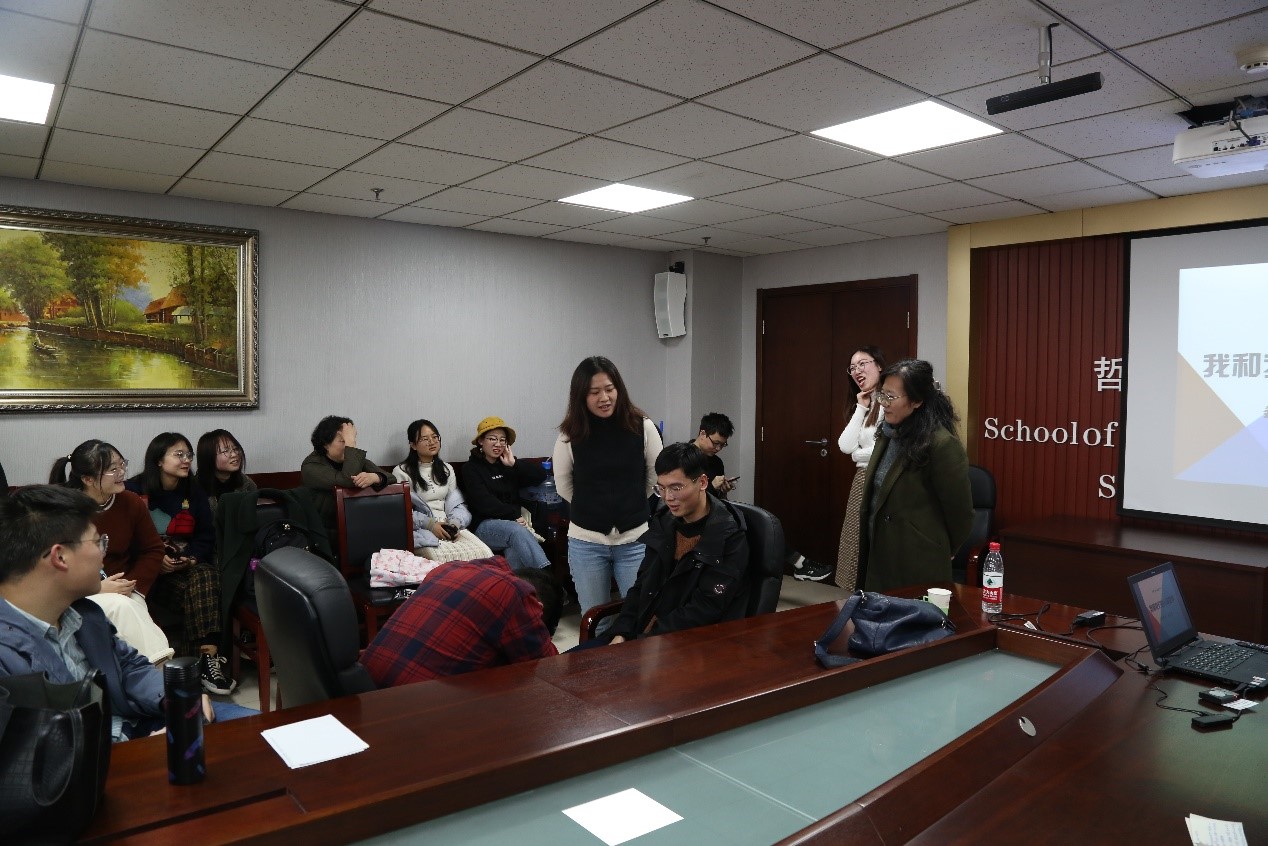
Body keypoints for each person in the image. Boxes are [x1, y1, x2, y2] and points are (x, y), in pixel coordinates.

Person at [0, 485, 226, 741]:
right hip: (88, 753)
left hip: (135, 722)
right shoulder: (6, 654)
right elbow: (35, 752)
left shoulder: (84, 613)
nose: (104, 554)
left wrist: (175, 697)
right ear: (60, 557)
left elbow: (128, 667)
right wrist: (140, 753)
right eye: (99, 541)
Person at [606, 442, 750, 643]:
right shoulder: (664, 521)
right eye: (661, 488)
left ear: (702, 482)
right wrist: (621, 632)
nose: (668, 498)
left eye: (676, 488)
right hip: (642, 632)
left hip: (683, 644)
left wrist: (643, 643)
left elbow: (704, 609)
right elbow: (641, 586)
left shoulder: (728, 536)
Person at [553, 356, 662, 619]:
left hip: (635, 539)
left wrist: (629, 501)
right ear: (581, 396)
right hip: (586, 542)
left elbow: (655, 477)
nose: (604, 398)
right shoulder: (570, 434)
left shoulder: (643, 426)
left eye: (609, 389)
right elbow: (563, 485)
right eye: (594, 392)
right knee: (596, 620)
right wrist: (594, 506)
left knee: (639, 617)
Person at [125, 433, 234, 694]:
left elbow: (206, 536)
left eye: (188, 455)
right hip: (151, 577)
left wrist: (191, 558)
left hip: (186, 572)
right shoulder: (134, 490)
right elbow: (127, 540)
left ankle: (201, 662)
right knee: (203, 587)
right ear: (158, 460)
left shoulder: (193, 491)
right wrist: (155, 560)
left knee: (204, 575)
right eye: (179, 455)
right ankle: (205, 662)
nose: (186, 460)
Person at [49, 441, 173, 665]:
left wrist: (132, 586)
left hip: (124, 587)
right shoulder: (62, 510)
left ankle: (149, 674)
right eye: (112, 469)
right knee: (122, 609)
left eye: (122, 465)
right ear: (87, 479)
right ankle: (159, 672)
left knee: (129, 607)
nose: (122, 473)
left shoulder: (131, 502)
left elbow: (153, 549)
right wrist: (96, 588)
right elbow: (53, 565)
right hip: (75, 591)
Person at [858, 359, 973, 592]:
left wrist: (943, 547)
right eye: (882, 395)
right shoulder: (888, 433)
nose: (884, 403)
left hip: (917, 559)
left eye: (891, 397)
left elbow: (960, 513)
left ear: (917, 401)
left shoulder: (941, 444)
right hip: (878, 552)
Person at [359, 557, 562, 686]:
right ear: (539, 606)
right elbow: (548, 671)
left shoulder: (447, 568)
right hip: (408, 711)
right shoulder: (517, 593)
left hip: (362, 688)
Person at [695, 412, 830, 583]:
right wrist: (711, 487)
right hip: (697, 516)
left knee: (760, 521)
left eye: (723, 445)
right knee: (749, 525)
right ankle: (800, 564)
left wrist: (723, 489)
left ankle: (799, 564)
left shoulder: (715, 462)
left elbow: (719, 499)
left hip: (715, 511)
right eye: (715, 443)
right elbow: (684, 496)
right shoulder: (684, 458)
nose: (718, 449)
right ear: (702, 433)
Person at [393, 419, 493, 563]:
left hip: (449, 526)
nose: (432, 442)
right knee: (442, 562)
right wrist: (431, 525)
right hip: (421, 529)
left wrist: (455, 524)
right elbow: (402, 511)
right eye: (425, 439)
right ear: (413, 445)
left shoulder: (447, 469)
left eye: (435, 437)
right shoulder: (402, 471)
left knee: (485, 554)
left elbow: (457, 504)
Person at [460, 416, 550, 571]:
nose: (498, 444)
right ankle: (546, 575)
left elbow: (540, 476)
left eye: (502, 440)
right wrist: (514, 514)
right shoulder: (470, 469)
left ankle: (518, 584)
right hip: (484, 525)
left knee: (514, 548)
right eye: (492, 439)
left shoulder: (508, 464)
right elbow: (483, 502)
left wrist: (514, 464)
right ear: (481, 441)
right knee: (516, 531)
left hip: (512, 524)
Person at [835, 346, 887, 591]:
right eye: (852, 367)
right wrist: (861, 407)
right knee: (854, 540)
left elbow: (886, 449)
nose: (857, 371)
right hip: (861, 479)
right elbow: (845, 446)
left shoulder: (889, 401)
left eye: (863, 364)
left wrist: (859, 454)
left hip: (880, 478)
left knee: (874, 541)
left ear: (880, 365)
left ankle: (872, 597)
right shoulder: (866, 403)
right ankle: (856, 596)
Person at [301, 415, 393, 539]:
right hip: (322, 533)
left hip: (353, 526)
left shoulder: (352, 460)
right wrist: (350, 443)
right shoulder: (311, 466)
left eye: (351, 439)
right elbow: (347, 481)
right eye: (343, 440)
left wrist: (375, 477)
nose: (349, 446)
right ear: (325, 444)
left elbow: (391, 478)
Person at [195, 429, 256, 519]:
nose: (234, 454)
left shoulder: (246, 483)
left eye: (235, 449)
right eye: (226, 451)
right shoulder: (194, 488)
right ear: (208, 456)